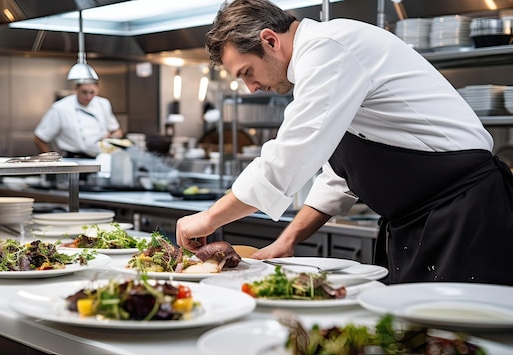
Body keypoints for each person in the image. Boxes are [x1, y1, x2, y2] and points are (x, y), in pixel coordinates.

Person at [176, 0, 513, 286]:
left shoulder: (329, 47)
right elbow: (339, 177)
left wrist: (210, 217)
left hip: (465, 213)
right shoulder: (325, 59)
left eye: (246, 72)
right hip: (426, 221)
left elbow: (288, 159)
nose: (251, 87)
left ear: (269, 41)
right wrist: (289, 238)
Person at [34, 80, 123, 158]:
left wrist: (112, 138)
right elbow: (39, 138)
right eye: (84, 92)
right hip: (73, 160)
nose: (88, 97)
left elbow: (117, 131)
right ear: (76, 88)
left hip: (101, 159)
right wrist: (51, 162)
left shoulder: (103, 104)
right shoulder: (60, 108)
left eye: (92, 93)